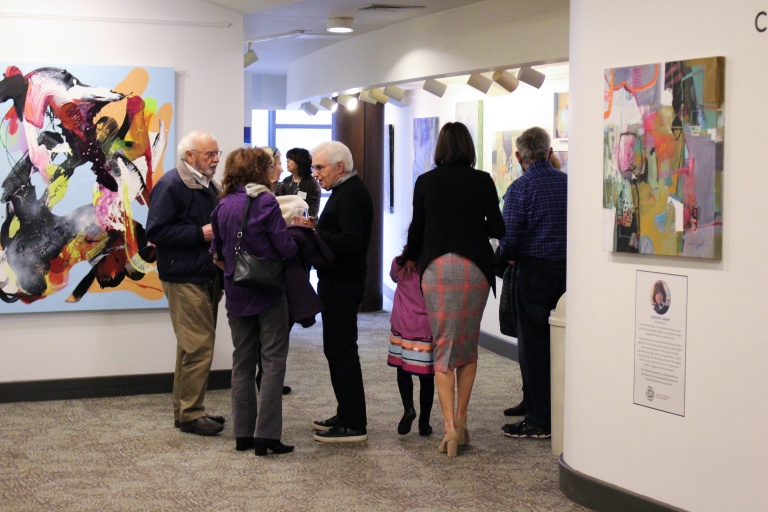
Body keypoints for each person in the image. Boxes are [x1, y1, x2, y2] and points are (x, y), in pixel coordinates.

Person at [404, 122, 504, 457]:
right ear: (469, 148)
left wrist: (408, 256)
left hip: (436, 267)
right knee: (468, 343)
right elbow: (499, 228)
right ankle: (461, 420)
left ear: (440, 148)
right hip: (474, 267)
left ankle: (447, 427)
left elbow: (417, 230)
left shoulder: (425, 182)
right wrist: (471, 223)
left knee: (443, 343)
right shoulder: (483, 180)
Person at [209, 147, 298, 456]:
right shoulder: (265, 202)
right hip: (268, 292)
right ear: (259, 170)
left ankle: (243, 434)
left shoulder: (222, 205)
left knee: (242, 363)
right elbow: (286, 248)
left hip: (236, 292)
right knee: (273, 361)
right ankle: (267, 436)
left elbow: (216, 253)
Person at [146, 130, 225, 436]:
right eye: (209, 154)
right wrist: (199, 234)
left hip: (205, 273)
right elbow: (156, 232)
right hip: (183, 276)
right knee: (199, 346)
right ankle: (191, 413)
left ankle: (186, 411)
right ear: (189, 156)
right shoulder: (171, 184)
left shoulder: (208, 185)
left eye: (217, 153)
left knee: (191, 346)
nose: (216, 160)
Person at [299, 141, 373, 443]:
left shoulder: (352, 193)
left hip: (343, 283)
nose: (315, 173)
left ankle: (354, 423)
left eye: (320, 167)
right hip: (337, 281)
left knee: (342, 350)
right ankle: (346, 413)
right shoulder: (347, 190)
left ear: (340, 167)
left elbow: (351, 242)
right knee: (336, 349)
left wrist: (315, 233)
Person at [499, 126, 567, 440]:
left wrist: (504, 258)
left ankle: (539, 420)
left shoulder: (519, 189)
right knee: (560, 344)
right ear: (549, 152)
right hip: (567, 275)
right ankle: (541, 406)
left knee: (533, 346)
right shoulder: (568, 184)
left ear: (518, 156)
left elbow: (510, 238)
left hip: (533, 275)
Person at [387, 245, 434, 437]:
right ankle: (424, 424)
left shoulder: (398, 264)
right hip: (425, 328)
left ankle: (408, 408)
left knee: (402, 369)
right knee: (427, 377)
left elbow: (393, 277)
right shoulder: (432, 268)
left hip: (401, 325)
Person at [281, 147, 322, 218]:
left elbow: (314, 210)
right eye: (287, 158)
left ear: (300, 161)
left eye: (290, 159)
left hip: (305, 221)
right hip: (287, 220)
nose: (287, 161)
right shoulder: (286, 180)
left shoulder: (312, 183)